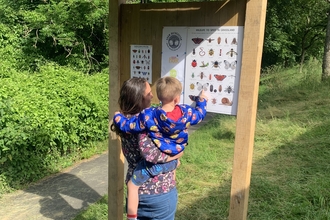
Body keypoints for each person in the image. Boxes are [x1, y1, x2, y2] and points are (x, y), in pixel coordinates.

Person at [113, 76, 208, 220]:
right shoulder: (149, 120)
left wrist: (117, 117)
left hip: (138, 196)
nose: (152, 95)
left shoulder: (130, 120)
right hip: (159, 195)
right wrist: (175, 157)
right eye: (148, 93)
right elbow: (152, 155)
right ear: (139, 98)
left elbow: (126, 124)